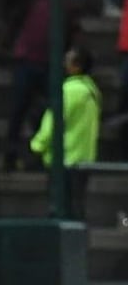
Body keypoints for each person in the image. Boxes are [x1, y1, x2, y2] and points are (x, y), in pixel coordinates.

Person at [29, 45, 102, 221]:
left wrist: (37, 145)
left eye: (67, 60)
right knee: (77, 208)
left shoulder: (70, 90)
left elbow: (53, 121)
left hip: (65, 158)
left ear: (77, 66)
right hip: (83, 157)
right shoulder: (92, 89)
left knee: (61, 211)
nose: (63, 63)